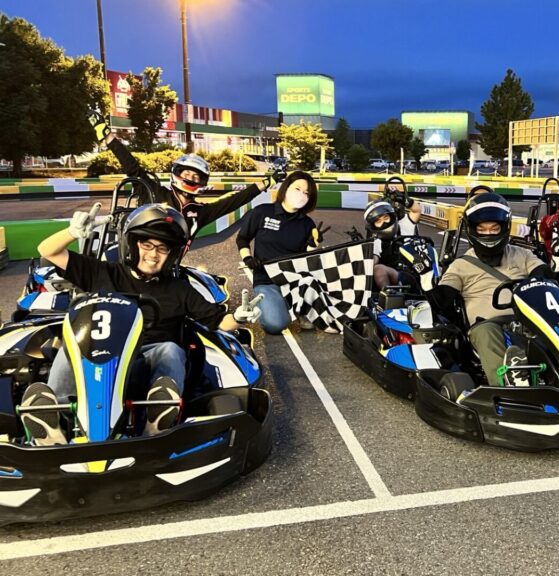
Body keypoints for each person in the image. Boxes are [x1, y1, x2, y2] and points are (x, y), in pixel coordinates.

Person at [25, 203, 259, 445]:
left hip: (148, 361)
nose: (153, 254)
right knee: (69, 350)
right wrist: (72, 232)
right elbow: (47, 251)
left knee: (170, 349)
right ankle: (54, 424)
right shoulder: (102, 272)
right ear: (132, 245)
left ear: (171, 255)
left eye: (162, 248)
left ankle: (157, 421)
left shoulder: (179, 289)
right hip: (100, 357)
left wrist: (239, 317)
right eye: (147, 245)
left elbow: (218, 322)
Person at [90, 112, 269, 246]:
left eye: (196, 176)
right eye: (187, 174)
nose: (191, 178)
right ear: (177, 174)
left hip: (169, 270)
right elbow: (133, 167)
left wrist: (268, 182)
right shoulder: (154, 192)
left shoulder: (200, 212)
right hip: (136, 261)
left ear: (202, 182)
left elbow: (234, 200)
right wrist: (108, 137)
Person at [435, 193, 550, 386]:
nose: (488, 234)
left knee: (558, 323)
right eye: (482, 229)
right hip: (487, 325)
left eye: (494, 228)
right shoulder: (460, 265)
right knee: (486, 332)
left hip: (527, 319)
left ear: (504, 228)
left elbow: (543, 275)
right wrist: (426, 280)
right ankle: (506, 383)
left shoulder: (522, 254)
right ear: (472, 230)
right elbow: (442, 298)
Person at [237, 171, 331, 334]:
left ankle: (301, 309)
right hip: (267, 280)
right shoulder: (262, 212)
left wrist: (313, 245)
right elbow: (242, 238)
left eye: (306, 193)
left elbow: (307, 259)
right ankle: (277, 306)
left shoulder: (307, 224)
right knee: (276, 324)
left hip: (295, 280)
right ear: (286, 188)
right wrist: (248, 259)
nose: (301, 195)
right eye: (297, 189)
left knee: (316, 282)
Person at [364, 200, 407, 290]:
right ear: (373, 226)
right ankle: (389, 293)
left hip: (414, 274)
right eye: (378, 221)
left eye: (386, 218)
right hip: (396, 276)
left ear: (392, 217)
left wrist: (406, 200)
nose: (384, 223)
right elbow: (373, 261)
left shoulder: (405, 228)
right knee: (378, 269)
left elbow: (416, 211)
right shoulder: (377, 242)